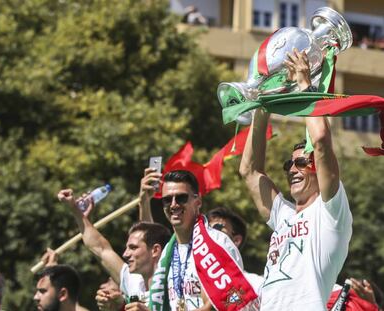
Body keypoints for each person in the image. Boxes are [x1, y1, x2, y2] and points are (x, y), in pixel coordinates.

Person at [239, 48, 353, 310]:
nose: (292, 169)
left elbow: (321, 141)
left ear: (318, 169)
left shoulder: (330, 211)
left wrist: (304, 83)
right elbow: (249, 172)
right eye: (289, 163)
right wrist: (262, 105)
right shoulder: (284, 214)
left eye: (302, 162)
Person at [149, 170, 253, 310]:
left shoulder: (217, 242)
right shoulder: (167, 253)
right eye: (167, 199)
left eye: (181, 198)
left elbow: (233, 299)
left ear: (198, 201)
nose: (173, 205)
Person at [58, 188, 171, 310]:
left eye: (133, 248)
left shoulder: (175, 279)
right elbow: (100, 248)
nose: (125, 254)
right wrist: (75, 210)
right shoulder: (132, 281)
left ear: (155, 250)